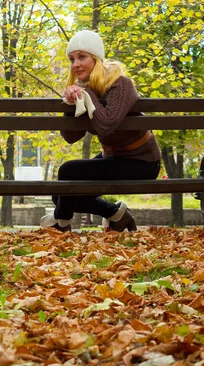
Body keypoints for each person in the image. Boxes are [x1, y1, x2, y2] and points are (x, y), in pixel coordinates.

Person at [40, 30, 161, 232]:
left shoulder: (121, 84)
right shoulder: (87, 87)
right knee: (60, 193)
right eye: (72, 59)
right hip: (114, 157)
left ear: (96, 58)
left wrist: (86, 94)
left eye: (82, 57)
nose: (75, 64)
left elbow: (106, 126)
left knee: (67, 172)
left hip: (142, 162)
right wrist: (72, 102)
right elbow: (70, 137)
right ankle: (117, 214)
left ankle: (61, 225)